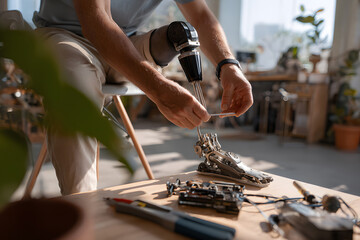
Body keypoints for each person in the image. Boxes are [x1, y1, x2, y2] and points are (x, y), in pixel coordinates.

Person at [33, 0, 253, 195]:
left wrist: (228, 65)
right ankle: (84, 210)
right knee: (75, 91)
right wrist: (158, 89)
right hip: (64, 36)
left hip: (124, 41)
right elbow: (96, 20)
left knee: (179, 33)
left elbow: (202, 18)